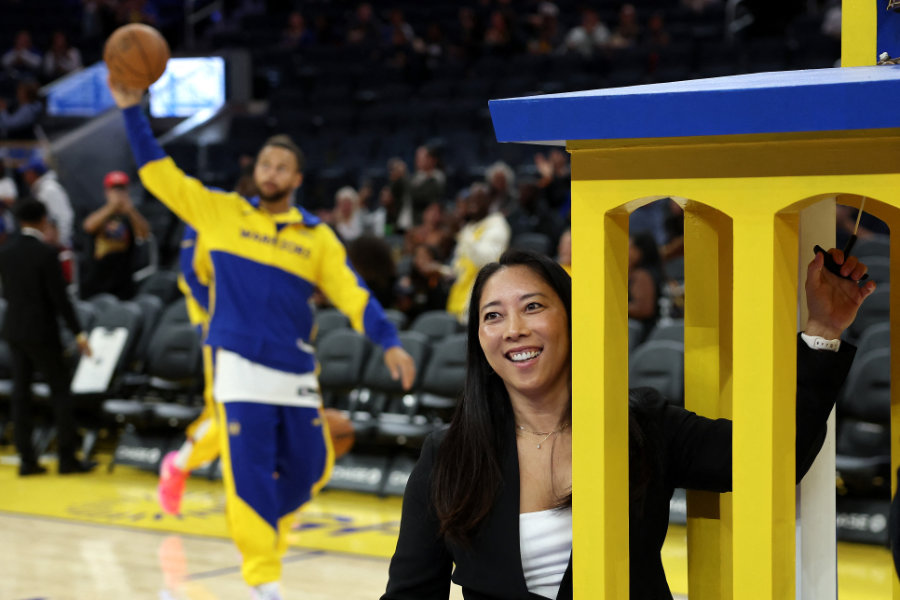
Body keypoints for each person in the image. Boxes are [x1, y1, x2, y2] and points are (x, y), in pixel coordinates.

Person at [382, 247, 875, 600]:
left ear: (573, 319)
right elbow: (411, 592)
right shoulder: (447, 455)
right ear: (480, 341)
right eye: (493, 316)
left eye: (533, 306)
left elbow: (769, 457)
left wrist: (823, 331)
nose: (514, 329)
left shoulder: (644, 425)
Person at [107, 79, 416, 600]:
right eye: (264, 165)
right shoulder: (222, 213)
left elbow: (352, 291)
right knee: (247, 478)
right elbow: (158, 175)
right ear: (256, 171)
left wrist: (388, 341)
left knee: (311, 467)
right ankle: (263, 583)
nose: (270, 173)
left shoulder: (315, 236)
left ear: (296, 178)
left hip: (295, 368)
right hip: (238, 364)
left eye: (281, 167)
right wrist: (131, 109)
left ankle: (253, 530)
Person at [0, 199, 93, 476]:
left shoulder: (5, 252)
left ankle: (27, 460)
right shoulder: (46, 253)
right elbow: (60, 300)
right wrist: (78, 332)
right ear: (43, 220)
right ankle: (67, 459)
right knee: (60, 392)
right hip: (42, 332)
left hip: (14, 330)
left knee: (20, 394)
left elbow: (8, 294)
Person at [157, 222, 219, 515]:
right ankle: (178, 466)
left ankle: (270, 507)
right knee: (224, 416)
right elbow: (192, 277)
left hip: (259, 333)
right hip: (220, 331)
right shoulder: (202, 225)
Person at [80, 170, 150, 300]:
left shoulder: (131, 215)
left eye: (121, 189)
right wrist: (111, 207)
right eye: (114, 189)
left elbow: (144, 234)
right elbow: (88, 227)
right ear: (107, 191)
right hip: (97, 279)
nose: (118, 193)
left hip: (123, 279)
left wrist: (130, 210)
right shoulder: (99, 211)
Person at [445, 183, 510, 322]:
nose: (473, 203)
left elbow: (487, 260)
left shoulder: (497, 224)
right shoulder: (469, 227)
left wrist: (461, 233)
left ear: (489, 201)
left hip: (480, 296)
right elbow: (458, 264)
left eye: (479, 198)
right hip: (459, 296)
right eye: (471, 199)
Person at [19, 156, 74, 248]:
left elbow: (64, 217)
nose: (24, 177)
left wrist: (60, 243)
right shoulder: (41, 190)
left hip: (61, 246)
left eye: (25, 173)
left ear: (32, 173)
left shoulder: (49, 189)